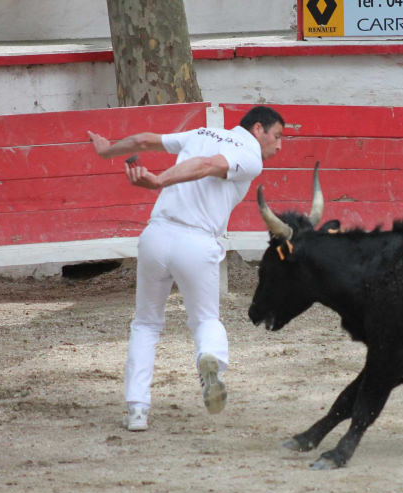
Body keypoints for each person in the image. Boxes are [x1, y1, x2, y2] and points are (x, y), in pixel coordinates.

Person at [88, 105, 285, 431]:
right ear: (258, 129)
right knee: (205, 319)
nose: (279, 146)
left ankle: (137, 409)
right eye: (277, 136)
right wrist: (159, 180)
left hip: (156, 235)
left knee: (146, 324)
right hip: (196, 242)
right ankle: (210, 362)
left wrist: (108, 150)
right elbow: (207, 165)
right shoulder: (250, 156)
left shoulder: (200, 133)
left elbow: (143, 140)